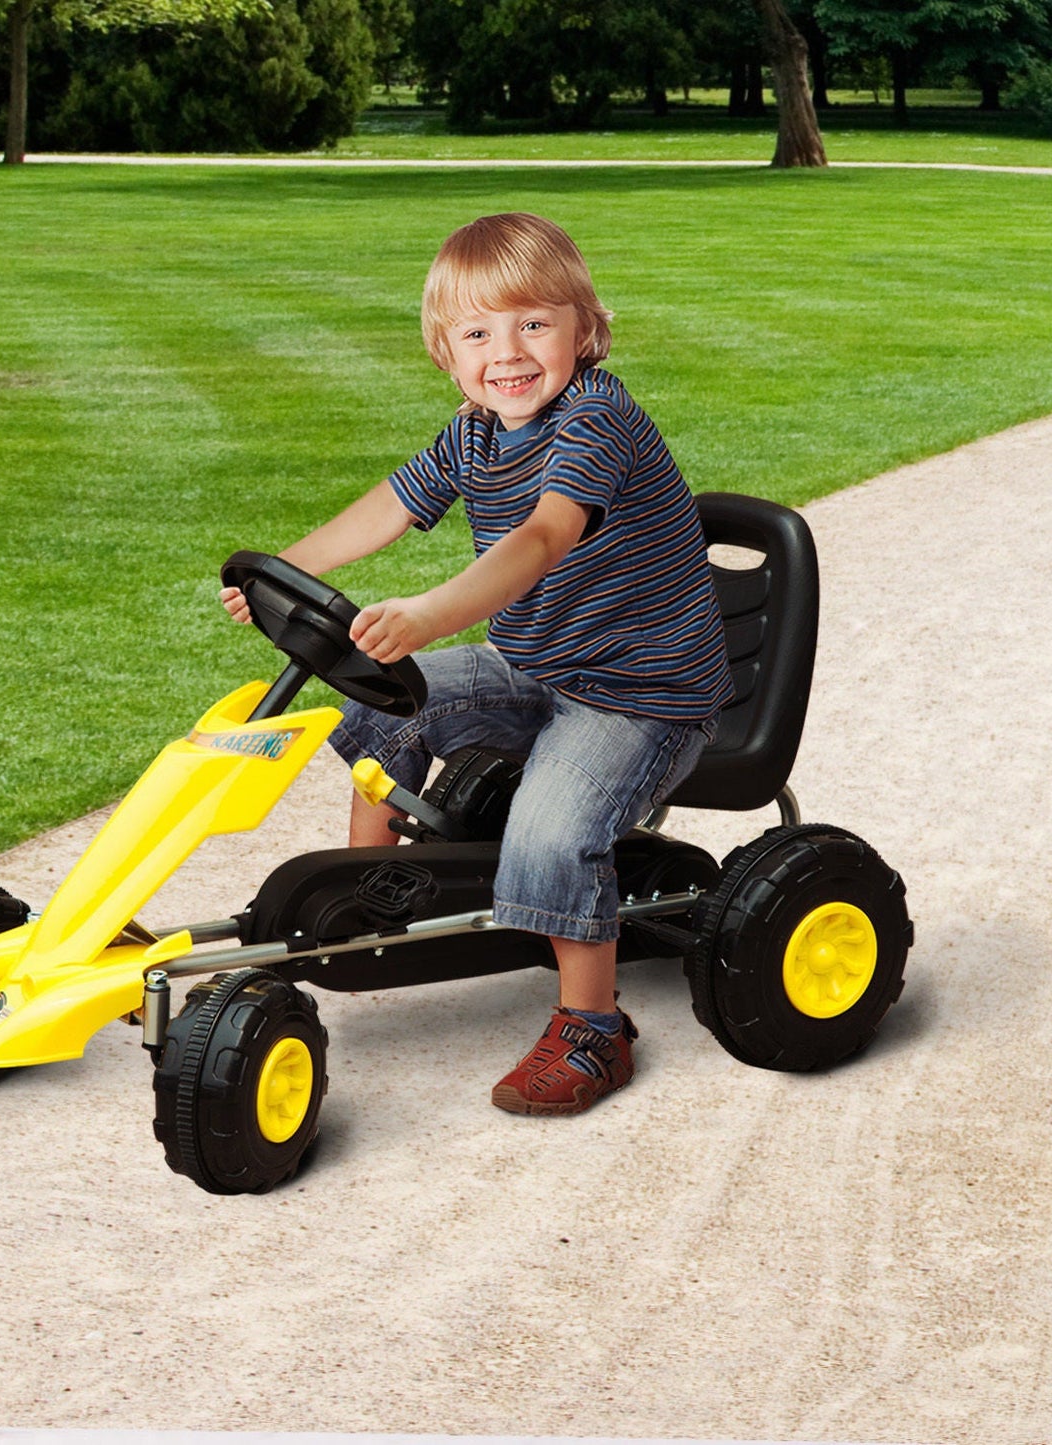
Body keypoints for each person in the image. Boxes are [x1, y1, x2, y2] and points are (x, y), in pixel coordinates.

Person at [222, 212, 733, 1116]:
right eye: (477, 333)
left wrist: (428, 613)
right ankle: (368, 899)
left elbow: (540, 539)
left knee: (549, 829)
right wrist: (288, 569)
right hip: (538, 670)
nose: (507, 352)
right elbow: (391, 503)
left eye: (533, 323)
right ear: (446, 353)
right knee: (375, 704)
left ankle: (592, 1027)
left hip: (640, 697)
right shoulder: (474, 433)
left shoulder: (596, 422)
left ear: (584, 329)